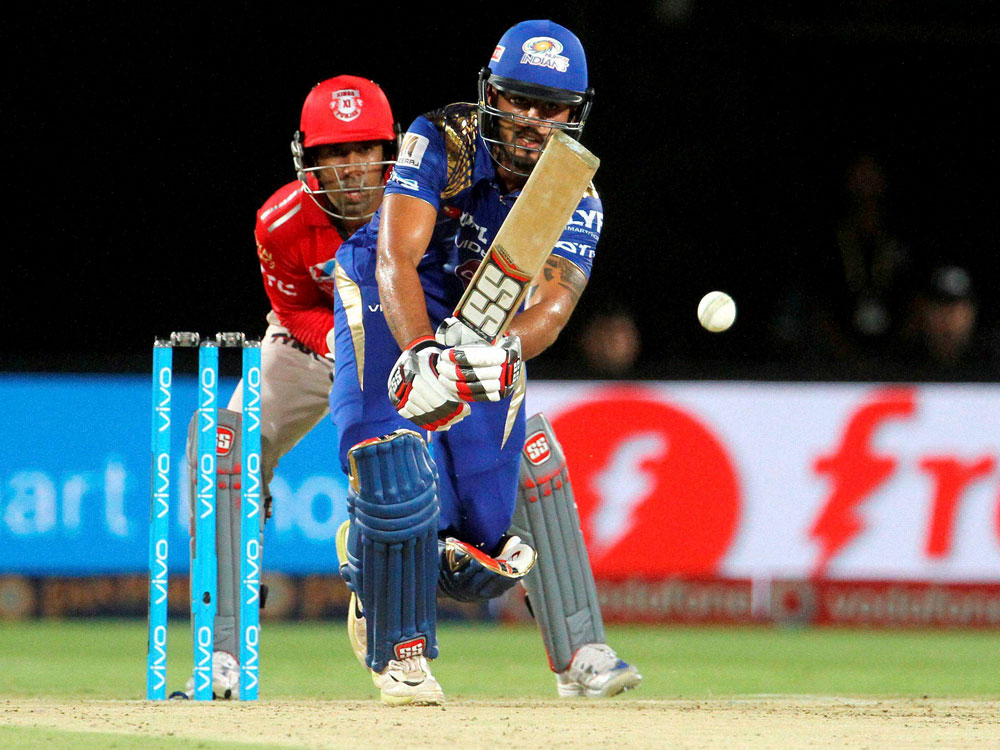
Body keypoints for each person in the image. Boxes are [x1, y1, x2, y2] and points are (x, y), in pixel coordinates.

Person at [330, 19, 640, 705]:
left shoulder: (572, 192)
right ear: (490, 93)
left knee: (481, 547)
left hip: (483, 326)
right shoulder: (440, 139)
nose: (532, 121)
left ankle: (370, 560)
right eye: (518, 100)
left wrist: (493, 354)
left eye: (550, 108)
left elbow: (555, 307)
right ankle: (401, 650)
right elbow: (395, 259)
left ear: (574, 114)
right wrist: (419, 355)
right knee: (395, 459)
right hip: (394, 301)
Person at [183, 75, 400, 698]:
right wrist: (342, 340)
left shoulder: (429, 205)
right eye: (337, 152)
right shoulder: (279, 223)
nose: (355, 169)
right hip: (314, 344)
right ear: (309, 157)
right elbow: (294, 304)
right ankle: (224, 632)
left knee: (484, 455)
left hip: (410, 353)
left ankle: (579, 653)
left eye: (367, 150)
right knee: (221, 446)